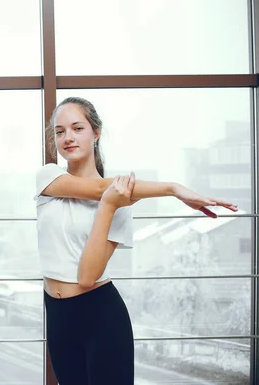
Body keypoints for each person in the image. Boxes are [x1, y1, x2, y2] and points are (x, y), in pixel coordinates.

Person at [35, 96, 238, 384]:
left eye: (77, 128)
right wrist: (172, 188)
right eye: (60, 131)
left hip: (101, 317)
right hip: (57, 317)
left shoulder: (120, 203)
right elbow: (95, 189)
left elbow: (86, 277)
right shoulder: (48, 177)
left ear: (96, 132)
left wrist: (109, 206)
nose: (67, 137)